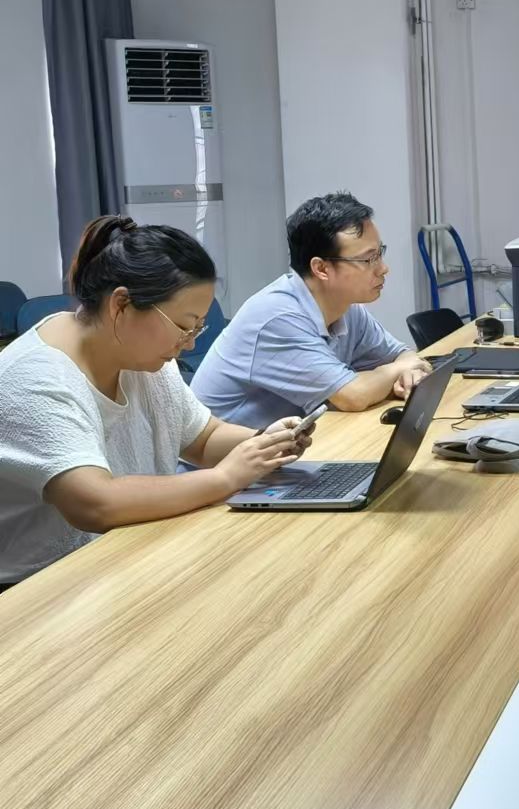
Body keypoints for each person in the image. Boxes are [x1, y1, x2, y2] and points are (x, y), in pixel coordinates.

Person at [0, 218, 310, 588]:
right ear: (121, 305)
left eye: (197, 328)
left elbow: (203, 439)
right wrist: (226, 477)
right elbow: (96, 504)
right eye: (184, 327)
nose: (190, 343)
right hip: (36, 588)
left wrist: (265, 442)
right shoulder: (35, 379)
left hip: (125, 555)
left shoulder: (142, 355)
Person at [191, 192, 433, 429]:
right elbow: (354, 396)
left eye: (380, 253)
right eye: (368, 260)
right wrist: (396, 370)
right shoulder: (278, 318)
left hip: (290, 444)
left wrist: (407, 370)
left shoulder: (346, 307)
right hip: (230, 453)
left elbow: (404, 356)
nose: (383, 268)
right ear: (321, 269)